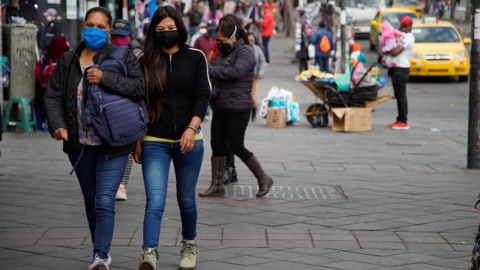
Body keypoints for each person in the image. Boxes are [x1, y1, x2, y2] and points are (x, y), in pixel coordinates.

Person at [44, 7, 145, 270]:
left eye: (101, 26)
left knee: (103, 200)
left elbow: (138, 88)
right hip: (80, 146)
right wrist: (57, 124)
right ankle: (98, 251)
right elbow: (53, 94)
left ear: (109, 31)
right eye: (90, 24)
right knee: (91, 201)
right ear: (83, 26)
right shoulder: (68, 60)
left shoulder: (123, 56)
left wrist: (105, 78)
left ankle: (101, 255)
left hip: (114, 144)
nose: (95, 30)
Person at [135, 5, 210, 270]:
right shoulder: (144, 60)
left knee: (186, 199)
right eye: (161, 30)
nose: (167, 33)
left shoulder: (196, 57)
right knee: (154, 198)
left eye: (171, 28)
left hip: (189, 141)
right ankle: (149, 252)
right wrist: (137, 140)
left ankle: (189, 244)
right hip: (153, 139)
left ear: (180, 28)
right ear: (152, 33)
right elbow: (137, 101)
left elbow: (203, 95)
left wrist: (191, 128)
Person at [199, 22, 274, 198]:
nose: (218, 43)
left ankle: (264, 178)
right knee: (216, 144)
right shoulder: (222, 51)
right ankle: (216, 185)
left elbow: (235, 72)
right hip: (220, 105)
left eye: (221, 40)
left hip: (239, 107)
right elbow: (216, 69)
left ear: (233, 38)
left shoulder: (246, 51)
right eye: (217, 40)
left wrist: (208, 69)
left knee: (236, 145)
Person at [109, 18, 137, 201]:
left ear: (130, 37)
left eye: (123, 36)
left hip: (128, 109)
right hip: (107, 110)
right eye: (116, 36)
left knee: (127, 149)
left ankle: (121, 184)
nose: (119, 40)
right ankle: (110, 182)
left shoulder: (136, 57)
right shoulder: (102, 54)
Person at [385, 15, 415, 130]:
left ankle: (403, 121)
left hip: (401, 70)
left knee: (401, 95)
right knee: (398, 95)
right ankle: (399, 119)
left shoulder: (408, 37)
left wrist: (387, 50)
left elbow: (397, 51)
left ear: (402, 25)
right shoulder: (404, 36)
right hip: (397, 69)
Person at [35, 37, 69, 129]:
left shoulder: (44, 58)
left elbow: (38, 73)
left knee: (41, 103)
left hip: (45, 88)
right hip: (65, 90)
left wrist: (43, 83)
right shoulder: (70, 57)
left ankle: (41, 125)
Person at [247, 31, 266, 122]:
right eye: (249, 40)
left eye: (252, 40)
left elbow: (263, 62)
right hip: (243, 77)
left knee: (253, 97)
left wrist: (261, 72)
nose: (251, 42)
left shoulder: (257, 49)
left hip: (253, 77)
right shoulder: (242, 49)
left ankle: (253, 112)